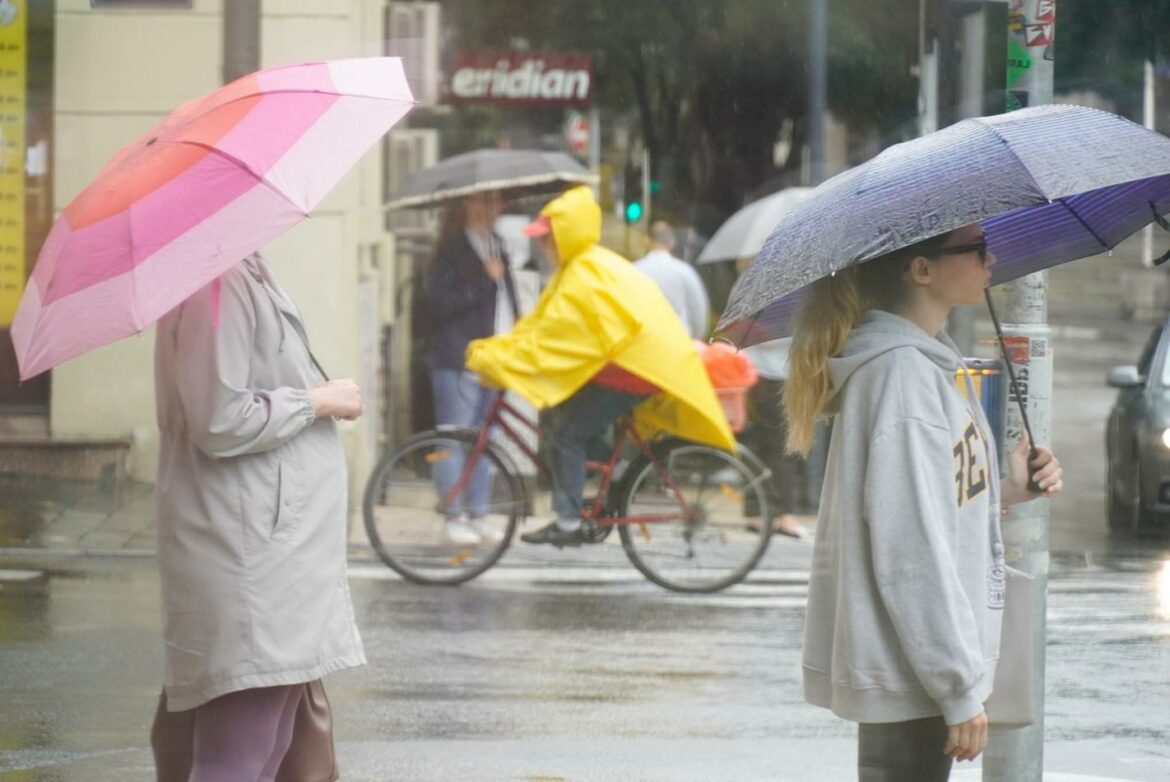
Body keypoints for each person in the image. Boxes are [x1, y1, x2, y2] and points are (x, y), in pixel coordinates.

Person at [783, 224, 1063, 780]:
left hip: (917, 667)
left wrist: (1009, 489)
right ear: (922, 269)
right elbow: (910, 549)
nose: (992, 257)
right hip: (914, 673)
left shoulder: (924, 365)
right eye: (974, 249)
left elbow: (929, 505)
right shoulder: (902, 376)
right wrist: (957, 688)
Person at [151, 252, 366, 781]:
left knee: (268, 748)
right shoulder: (213, 285)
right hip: (252, 552)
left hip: (275, 551)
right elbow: (219, 418)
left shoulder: (240, 270)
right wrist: (319, 400)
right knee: (237, 756)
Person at [465, 186, 735, 548]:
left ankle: (568, 520)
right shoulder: (578, 267)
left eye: (547, 239)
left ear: (565, 235)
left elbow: (556, 337)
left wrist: (503, 358)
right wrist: (500, 350)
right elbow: (540, 326)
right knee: (561, 417)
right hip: (628, 365)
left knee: (566, 433)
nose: (542, 247)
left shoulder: (582, 275)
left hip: (635, 369)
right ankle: (606, 479)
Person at [426, 190, 520, 545]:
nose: (493, 207)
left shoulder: (495, 243)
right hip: (456, 356)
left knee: (484, 440)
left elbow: (505, 299)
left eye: (497, 201)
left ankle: (478, 513)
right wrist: (484, 278)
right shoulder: (450, 248)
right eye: (485, 201)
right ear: (467, 205)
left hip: (493, 356)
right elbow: (438, 303)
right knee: (454, 437)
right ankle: (453, 515)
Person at [739, 338, 812, 539]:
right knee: (784, 447)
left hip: (751, 369)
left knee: (756, 445)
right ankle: (785, 516)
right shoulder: (794, 307)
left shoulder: (751, 305)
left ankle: (756, 514)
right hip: (782, 372)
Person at [634, 220, 711, 338]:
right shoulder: (686, 272)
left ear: (647, 240)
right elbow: (698, 315)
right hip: (678, 343)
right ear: (672, 243)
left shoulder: (633, 270)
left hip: (641, 341)